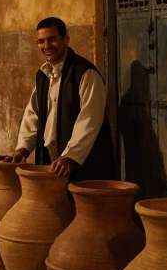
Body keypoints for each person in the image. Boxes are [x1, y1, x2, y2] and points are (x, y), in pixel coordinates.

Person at [11, 17, 118, 182]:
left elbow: (90, 119)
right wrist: (23, 149)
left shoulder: (86, 74)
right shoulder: (43, 75)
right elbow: (32, 114)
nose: (46, 46)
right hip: (51, 165)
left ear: (66, 39)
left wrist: (71, 156)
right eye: (41, 41)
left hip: (84, 165)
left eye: (52, 39)